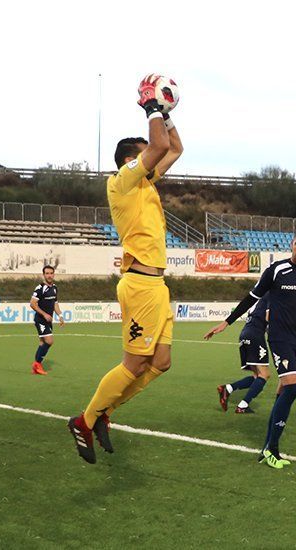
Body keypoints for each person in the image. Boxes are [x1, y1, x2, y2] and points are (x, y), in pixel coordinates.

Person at [67, 74, 184, 464]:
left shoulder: (144, 184)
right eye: (144, 151)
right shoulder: (122, 181)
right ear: (131, 159)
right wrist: (151, 105)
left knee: (161, 363)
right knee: (134, 363)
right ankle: (85, 420)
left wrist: (164, 114)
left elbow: (175, 146)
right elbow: (161, 147)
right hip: (140, 285)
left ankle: (105, 412)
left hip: (156, 285)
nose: (152, 154)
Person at [204, 228, 296, 469]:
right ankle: (272, 448)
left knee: (286, 392)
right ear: (291, 245)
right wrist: (226, 322)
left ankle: (267, 448)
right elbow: (251, 297)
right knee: (291, 388)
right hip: (280, 338)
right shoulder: (277, 270)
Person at [217, 295, 271, 414]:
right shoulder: (271, 295)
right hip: (255, 335)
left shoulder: (260, 299)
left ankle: (228, 389)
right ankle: (243, 405)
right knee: (264, 374)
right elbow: (268, 318)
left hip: (245, 334)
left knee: (257, 376)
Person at [30, 265, 64, 375]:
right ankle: (37, 364)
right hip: (40, 319)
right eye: (47, 273)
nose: (49, 275)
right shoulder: (40, 288)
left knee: (42, 342)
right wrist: (44, 314)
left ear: (54, 274)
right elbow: (32, 304)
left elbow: (55, 303)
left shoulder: (54, 288)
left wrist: (60, 315)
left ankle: (36, 366)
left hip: (48, 320)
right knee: (49, 341)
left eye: (51, 273)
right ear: (44, 275)